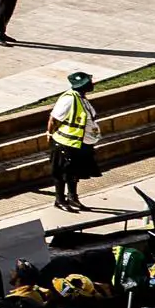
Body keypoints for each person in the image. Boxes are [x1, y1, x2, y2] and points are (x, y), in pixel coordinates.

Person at [47, 67, 97, 210]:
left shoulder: (81, 98)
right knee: (61, 172)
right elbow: (53, 119)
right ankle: (60, 200)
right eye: (90, 82)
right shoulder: (69, 99)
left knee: (74, 172)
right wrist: (50, 134)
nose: (93, 83)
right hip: (65, 143)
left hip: (79, 143)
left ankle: (73, 198)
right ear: (83, 85)